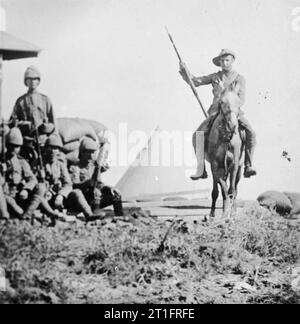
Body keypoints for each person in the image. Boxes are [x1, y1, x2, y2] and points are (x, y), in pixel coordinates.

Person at [179, 49, 257, 180]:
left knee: (251, 133)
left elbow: (241, 99)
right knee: (197, 136)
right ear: (219, 63)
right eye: (222, 61)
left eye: (227, 60)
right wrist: (184, 70)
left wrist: (225, 96)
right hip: (216, 112)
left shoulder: (239, 79)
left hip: (233, 112)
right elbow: (196, 81)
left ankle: (248, 166)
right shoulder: (215, 77)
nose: (224, 63)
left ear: (232, 61)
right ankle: (200, 168)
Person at [43, 134, 105, 221]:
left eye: (56, 148)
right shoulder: (38, 164)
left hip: (60, 197)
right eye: (51, 148)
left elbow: (67, 184)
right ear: (45, 149)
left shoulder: (60, 165)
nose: (53, 151)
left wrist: (61, 195)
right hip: (46, 196)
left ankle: (117, 217)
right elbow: (75, 185)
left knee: (113, 194)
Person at [2, 127, 58, 222]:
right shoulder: (1, 160)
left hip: (20, 195)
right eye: (11, 145)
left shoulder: (22, 162)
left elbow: (32, 179)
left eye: (16, 146)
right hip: (5, 197)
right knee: (9, 201)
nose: (13, 149)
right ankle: (22, 214)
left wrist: (26, 190)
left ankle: (26, 215)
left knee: (40, 187)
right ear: (6, 145)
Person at [69, 138, 124, 217]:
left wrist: (109, 189)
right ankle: (94, 213)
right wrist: (89, 183)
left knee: (115, 195)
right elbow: (75, 186)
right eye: (88, 153)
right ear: (82, 153)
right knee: (94, 191)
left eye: (93, 153)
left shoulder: (94, 167)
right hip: (84, 199)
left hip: (96, 198)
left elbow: (99, 184)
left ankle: (120, 218)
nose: (91, 156)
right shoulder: (75, 167)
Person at [10, 66, 57, 139]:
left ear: (38, 81)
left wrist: (49, 131)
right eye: (29, 79)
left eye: (35, 79)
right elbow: (12, 122)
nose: (32, 82)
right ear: (26, 81)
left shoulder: (45, 100)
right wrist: (23, 124)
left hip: (43, 140)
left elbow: (53, 122)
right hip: (26, 141)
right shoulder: (20, 101)